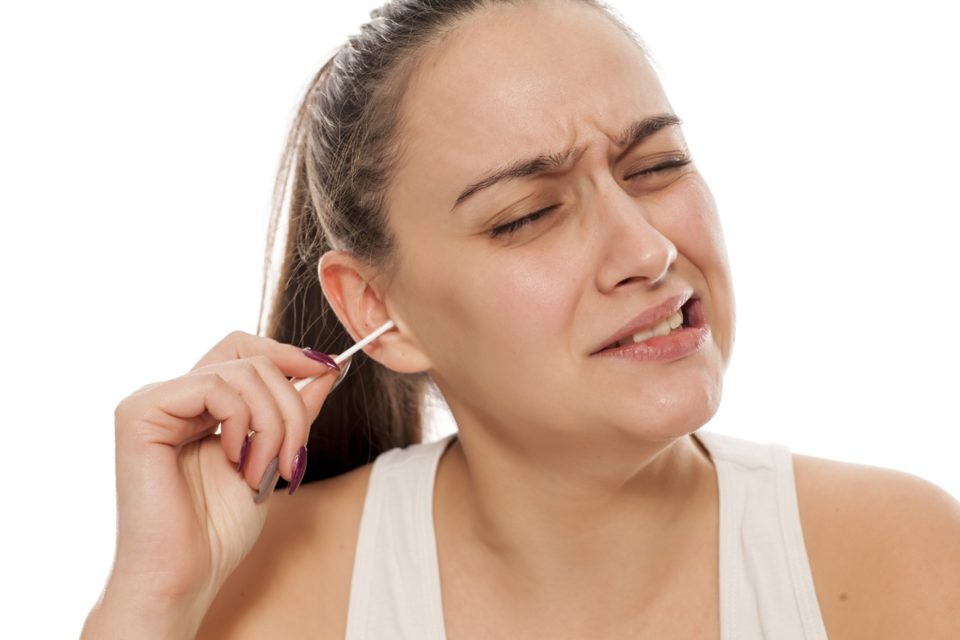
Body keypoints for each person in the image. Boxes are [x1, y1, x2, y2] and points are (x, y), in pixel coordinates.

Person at [82, 0, 960, 638]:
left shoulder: (903, 553)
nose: (647, 250)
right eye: (527, 215)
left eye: (655, 165)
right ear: (377, 311)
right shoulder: (251, 594)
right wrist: (150, 604)